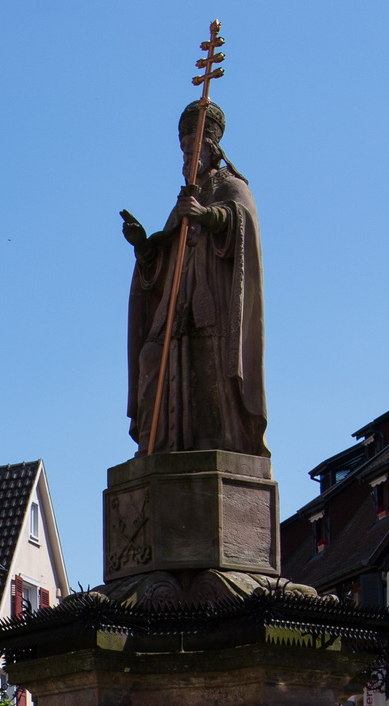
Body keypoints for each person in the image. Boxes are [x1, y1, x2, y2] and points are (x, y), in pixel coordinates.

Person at [121, 99, 268, 457]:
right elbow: (165, 256)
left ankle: (215, 448)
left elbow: (242, 221)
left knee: (208, 367)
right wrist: (145, 248)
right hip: (174, 298)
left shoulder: (230, 185)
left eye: (193, 148)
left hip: (212, 298)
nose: (187, 157)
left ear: (212, 147)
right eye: (184, 151)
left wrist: (208, 216)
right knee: (151, 357)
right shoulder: (183, 198)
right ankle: (155, 449)